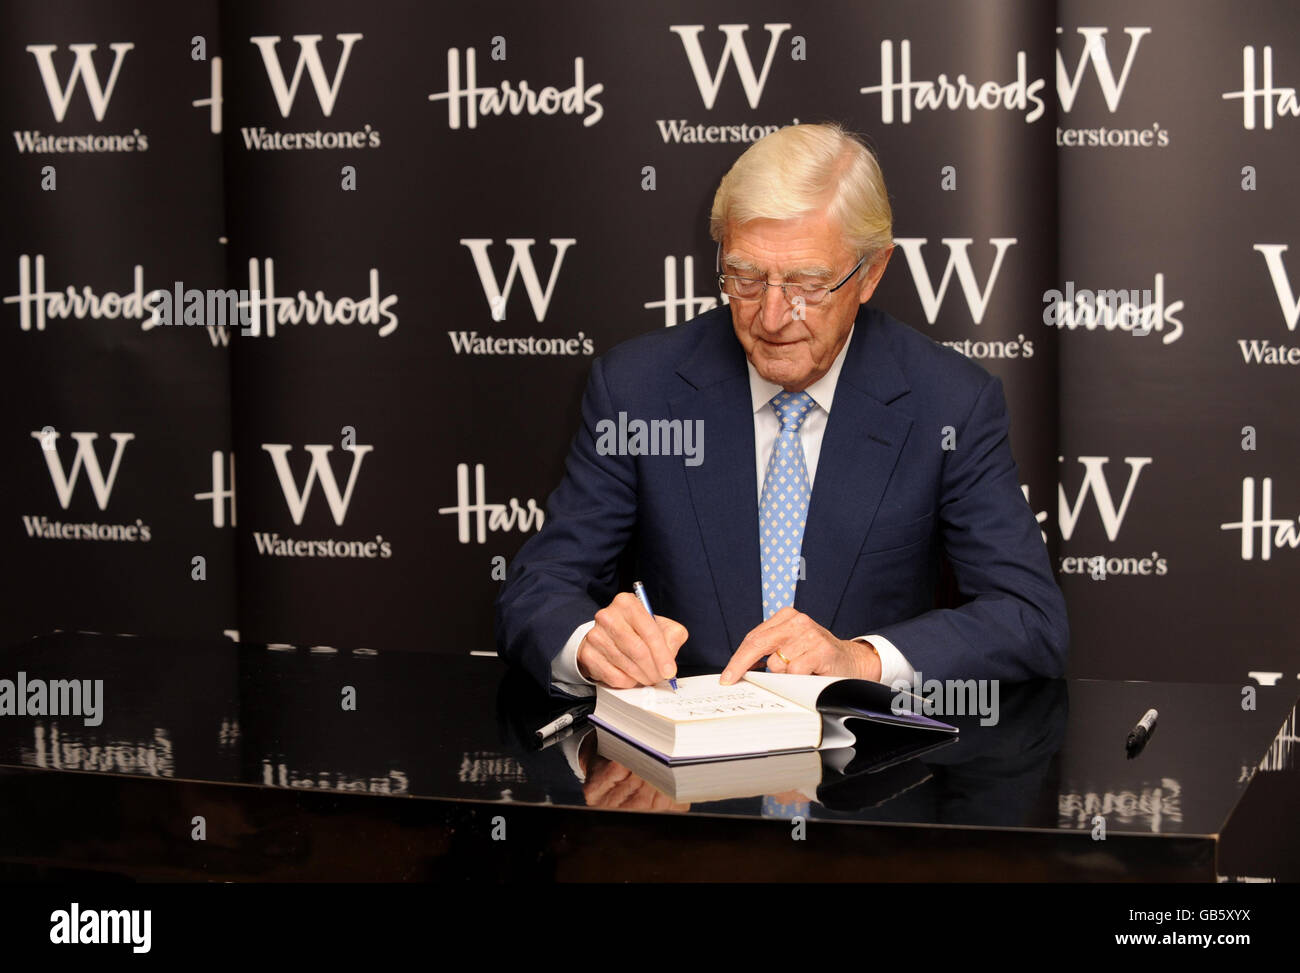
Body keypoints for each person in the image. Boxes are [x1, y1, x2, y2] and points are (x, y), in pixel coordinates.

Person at [495, 122, 1068, 698]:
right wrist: (591, 646)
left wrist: (863, 659)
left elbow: (1027, 618)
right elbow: (540, 588)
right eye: (745, 277)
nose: (771, 316)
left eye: (807, 284)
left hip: (864, 775)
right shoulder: (637, 390)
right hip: (685, 772)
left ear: (870, 273)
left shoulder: (950, 403)